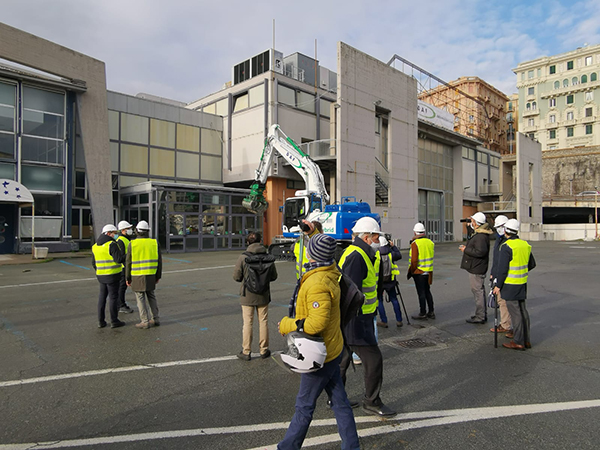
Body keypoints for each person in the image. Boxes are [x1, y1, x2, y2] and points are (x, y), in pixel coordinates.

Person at [277, 233, 360, 450]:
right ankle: (352, 446)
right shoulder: (330, 271)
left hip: (319, 353)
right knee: (341, 403)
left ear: (312, 254)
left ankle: (287, 447)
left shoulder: (317, 282)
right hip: (332, 349)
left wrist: (287, 324)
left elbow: (316, 324)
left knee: (304, 406)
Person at [338, 216, 396, 417]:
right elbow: (351, 292)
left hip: (357, 316)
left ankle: (335, 397)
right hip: (356, 318)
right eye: (375, 236)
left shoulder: (362, 253)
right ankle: (371, 401)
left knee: (343, 359)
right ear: (367, 236)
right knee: (373, 359)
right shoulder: (357, 255)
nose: (377, 240)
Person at [233, 232, 277, 360]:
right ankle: (264, 349)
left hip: (247, 294)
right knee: (263, 321)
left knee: (248, 323)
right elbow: (274, 276)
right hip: (263, 293)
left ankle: (246, 351)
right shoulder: (268, 256)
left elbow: (236, 276)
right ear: (260, 241)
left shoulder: (243, 257)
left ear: (248, 242)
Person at [493, 219, 536, 350]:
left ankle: (518, 341)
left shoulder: (506, 246)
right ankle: (526, 340)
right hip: (522, 283)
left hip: (510, 284)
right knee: (523, 311)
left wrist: (497, 285)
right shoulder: (525, 245)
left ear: (505, 230)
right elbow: (532, 264)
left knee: (515, 314)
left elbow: (502, 269)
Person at [126, 220, 162, 329]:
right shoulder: (154, 243)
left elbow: (128, 262)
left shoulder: (132, 244)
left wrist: (127, 277)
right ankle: (155, 318)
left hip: (137, 276)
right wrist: (158, 276)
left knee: (140, 297)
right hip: (151, 274)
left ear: (137, 231)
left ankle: (144, 321)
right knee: (151, 295)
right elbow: (159, 261)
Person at [459, 212, 493, 324]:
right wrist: (469, 227)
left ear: (477, 224)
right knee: (478, 291)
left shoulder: (481, 237)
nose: (471, 223)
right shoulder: (479, 234)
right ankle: (480, 314)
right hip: (476, 266)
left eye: (473, 221)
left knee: (478, 291)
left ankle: (480, 316)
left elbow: (480, 252)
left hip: (477, 267)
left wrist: (465, 250)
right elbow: (472, 237)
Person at [91, 224, 126, 329]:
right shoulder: (111, 244)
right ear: (109, 233)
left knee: (102, 297)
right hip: (113, 275)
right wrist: (127, 255)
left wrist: (100, 271)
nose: (115, 235)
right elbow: (118, 259)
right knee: (113, 298)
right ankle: (114, 320)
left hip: (101, 276)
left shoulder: (95, 246)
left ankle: (101, 321)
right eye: (114, 233)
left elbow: (94, 263)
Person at [408, 223, 435, 320]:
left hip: (419, 272)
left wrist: (412, 271)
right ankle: (431, 311)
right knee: (427, 292)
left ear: (415, 232)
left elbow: (414, 260)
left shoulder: (415, 244)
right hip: (428, 271)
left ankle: (422, 312)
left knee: (421, 293)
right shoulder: (430, 242)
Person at [489, 215, 512, 334]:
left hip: (507, 276)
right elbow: (496, 259)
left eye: (499, 227)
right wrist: (493, 273)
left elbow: (504, 262)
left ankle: (506, 325)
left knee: (506, 302)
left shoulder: (508, 241)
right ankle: (505, 323)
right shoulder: (499, 240)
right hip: (498, 274)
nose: (498, 230)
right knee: (500, 301)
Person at [376, 235, 403, 328]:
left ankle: (384, 321)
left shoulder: (376, 255)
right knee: (394, 300)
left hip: (380, 282)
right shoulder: (391, 254)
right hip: (391, 281)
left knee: (379, 301)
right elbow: (399, 255)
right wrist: (393, 246)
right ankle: (399, 320)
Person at [116, 220, 135, 314]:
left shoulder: (126, 239)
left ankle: (120, 303)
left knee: (123, 287)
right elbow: (120, 257)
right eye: (128, 228)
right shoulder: (121, 240)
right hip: (123, 268)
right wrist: (130, 254)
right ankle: (121, 305)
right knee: (122, 287)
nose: (130, 230)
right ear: (123, 230)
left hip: (126, 267)